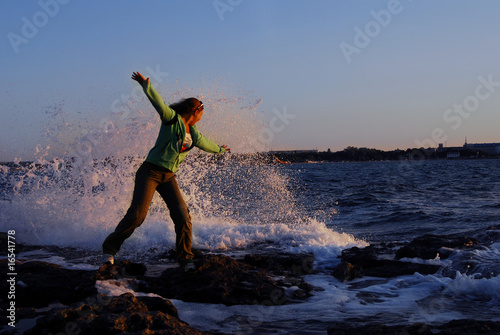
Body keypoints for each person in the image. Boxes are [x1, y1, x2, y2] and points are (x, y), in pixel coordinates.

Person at [102, 72, 229, 270]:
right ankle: (109, 249)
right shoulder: (172, 120)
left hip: (169, 177)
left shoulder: (193, 133)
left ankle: (185, 258)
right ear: (195, 111)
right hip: (150, 172)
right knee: (137, 216)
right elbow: (159, 104)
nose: (202, 117)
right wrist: (146, 86)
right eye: (201, 113)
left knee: (183, 216)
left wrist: (221, 150)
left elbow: (206, 144)